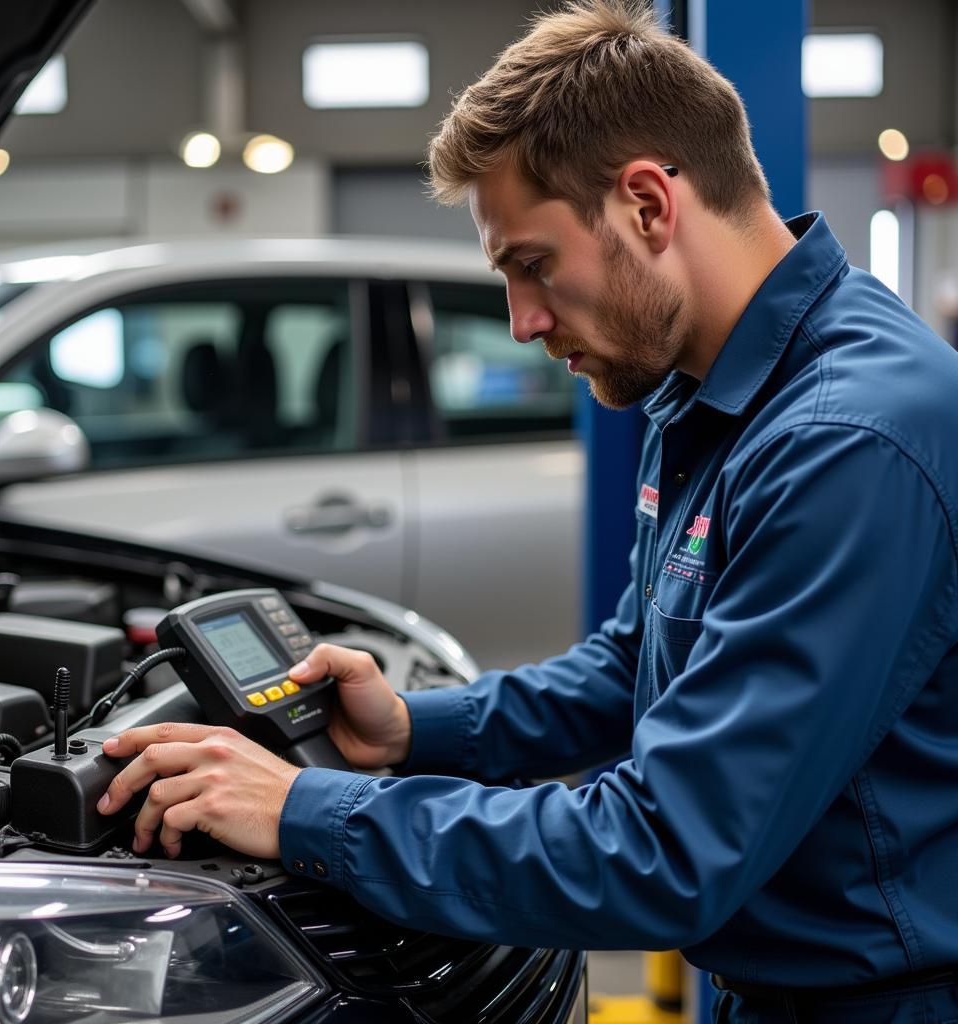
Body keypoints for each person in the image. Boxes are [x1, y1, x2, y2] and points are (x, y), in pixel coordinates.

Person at [97, 2, 958, 1019]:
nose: (521, 323)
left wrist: (305, 809)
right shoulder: (709, 388)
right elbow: (634, 667)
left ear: (647, 203)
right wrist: (416, 729)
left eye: (533, 266)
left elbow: (666, 849)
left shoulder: (845, 442)